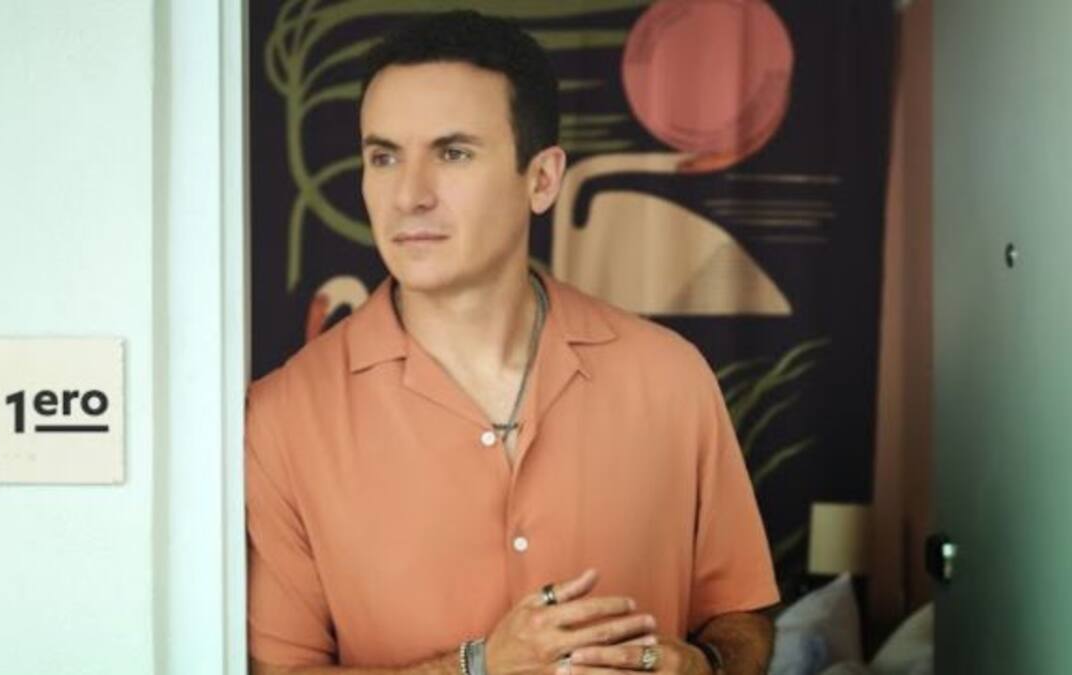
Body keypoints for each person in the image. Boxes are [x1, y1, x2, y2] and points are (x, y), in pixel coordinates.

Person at [246, 10, 779, 675]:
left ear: (542, 179)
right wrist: (475, 667)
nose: (408, 194)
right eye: (384, 156)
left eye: (453, 153)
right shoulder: (281, 418)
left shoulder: (671, 376)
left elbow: (743, 615)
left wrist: (708, 665)